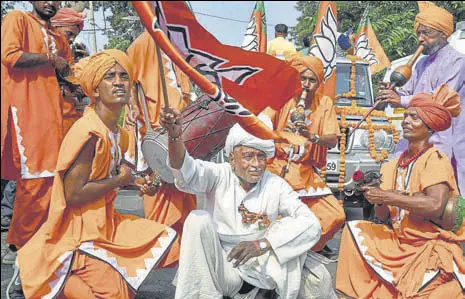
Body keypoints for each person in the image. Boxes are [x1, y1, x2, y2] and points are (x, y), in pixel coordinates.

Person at [12, 49, 178, 299]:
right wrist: (119, 180)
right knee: (116, 295)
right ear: (96, 90)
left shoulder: (117, 133)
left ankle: (66, 276)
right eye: (110, 76)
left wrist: (138, 182)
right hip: (78, 233)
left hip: (105, 223)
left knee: (171, 243)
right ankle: (45, 276)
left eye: (124, 76)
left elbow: (112, 171)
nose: (119, 82)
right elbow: (73, 194)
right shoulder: (89, 131)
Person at [161, 106, 339, 298]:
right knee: (197, 219)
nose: (256, 164)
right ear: (232, 158)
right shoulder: (219, 174)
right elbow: (187, 171)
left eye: (261, 156)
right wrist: (175, 138)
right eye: (248, 156)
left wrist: (262, 244)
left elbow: (310, 224)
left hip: (262, 266)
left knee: (318, 277)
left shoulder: (275, 184)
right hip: (224, 266)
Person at [336, 85, 464, 298]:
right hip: (398, 240)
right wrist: (376, 198)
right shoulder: (391, 165)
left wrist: (387, 195)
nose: (405, 121)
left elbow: (435, 205)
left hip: (428, 244)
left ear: (429, 125)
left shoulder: (435, 159)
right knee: (354, 230)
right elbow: (382, 216)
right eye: (405, 116)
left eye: (414, 117)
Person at [1, 0, 71, 268]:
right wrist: (52, 59)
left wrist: (72, 86)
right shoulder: (17, 19)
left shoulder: (58, 36)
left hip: (55, 116)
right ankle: (19, 244)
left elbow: (65, 73)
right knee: (34, 179)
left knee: (51, 180)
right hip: (26, 111)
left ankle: (39, 241)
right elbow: (11, 56)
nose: (51, 3)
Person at [124, 30, 196, 267]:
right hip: (156, 129)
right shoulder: (142, 43)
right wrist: (133, 107)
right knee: (160, 189)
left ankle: (183, 248)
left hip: (182, 126)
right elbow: (129, 82)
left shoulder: (177, 40)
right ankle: (163, 249)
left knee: (184, 186)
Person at [376, 3, 465, 194]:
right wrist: (390, 95)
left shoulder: (458, 62)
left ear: (444, 34)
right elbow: (408, 95)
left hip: (445, 138)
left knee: (445, 194)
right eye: (418, 33)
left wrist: (400, 100)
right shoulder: (421, 63)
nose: (420, 39)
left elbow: (439, 100)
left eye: (426, 33)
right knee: (402, 183)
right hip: (416, 137)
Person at [263, 55, 345, 257]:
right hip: (277, 169)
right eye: (302, 79)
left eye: (312, 80)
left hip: (305, 173)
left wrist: (311, 136)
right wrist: (281, 134)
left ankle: (305, 249)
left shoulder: (324, 102)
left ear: (318, 83)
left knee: (336, 216)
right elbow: (261, 126)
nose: (306, 84)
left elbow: (333, 139)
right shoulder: (282, 98)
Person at [51, 7, 88, 135]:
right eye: (69, 34)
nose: (72, 39)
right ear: (55, 27)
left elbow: (72, 82)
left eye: (75, 36)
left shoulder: (67, 51)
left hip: (67, 115)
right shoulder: (42, 46)